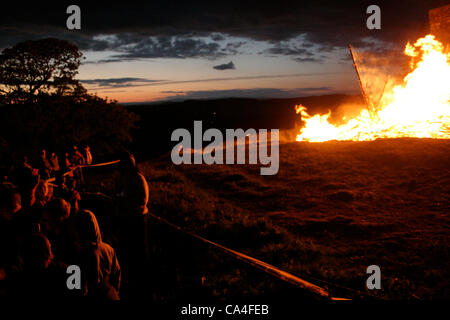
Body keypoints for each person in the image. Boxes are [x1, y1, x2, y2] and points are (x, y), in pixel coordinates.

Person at [115, 152, 149, 289]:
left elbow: (143, 199)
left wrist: (127, 202)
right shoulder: (121, 179)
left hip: (138, 218)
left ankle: (142, 277)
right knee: (127, 247)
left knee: (139, 248)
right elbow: (117, 194)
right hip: (125, 218)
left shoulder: (139, 179)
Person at [72, 210, 121, 299]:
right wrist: (115, 291)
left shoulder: (80, 253)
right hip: (110, 294)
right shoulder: (108, 248)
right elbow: (116, 273)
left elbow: (77, 287)